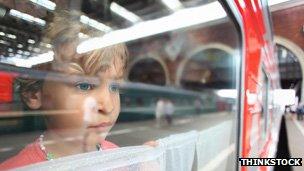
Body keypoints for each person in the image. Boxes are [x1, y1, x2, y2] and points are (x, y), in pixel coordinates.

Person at [0, 10, 128, 170]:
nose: (108, 106)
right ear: (33, 93)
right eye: (84, 86)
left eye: (114, 87)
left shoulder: (120, 158)